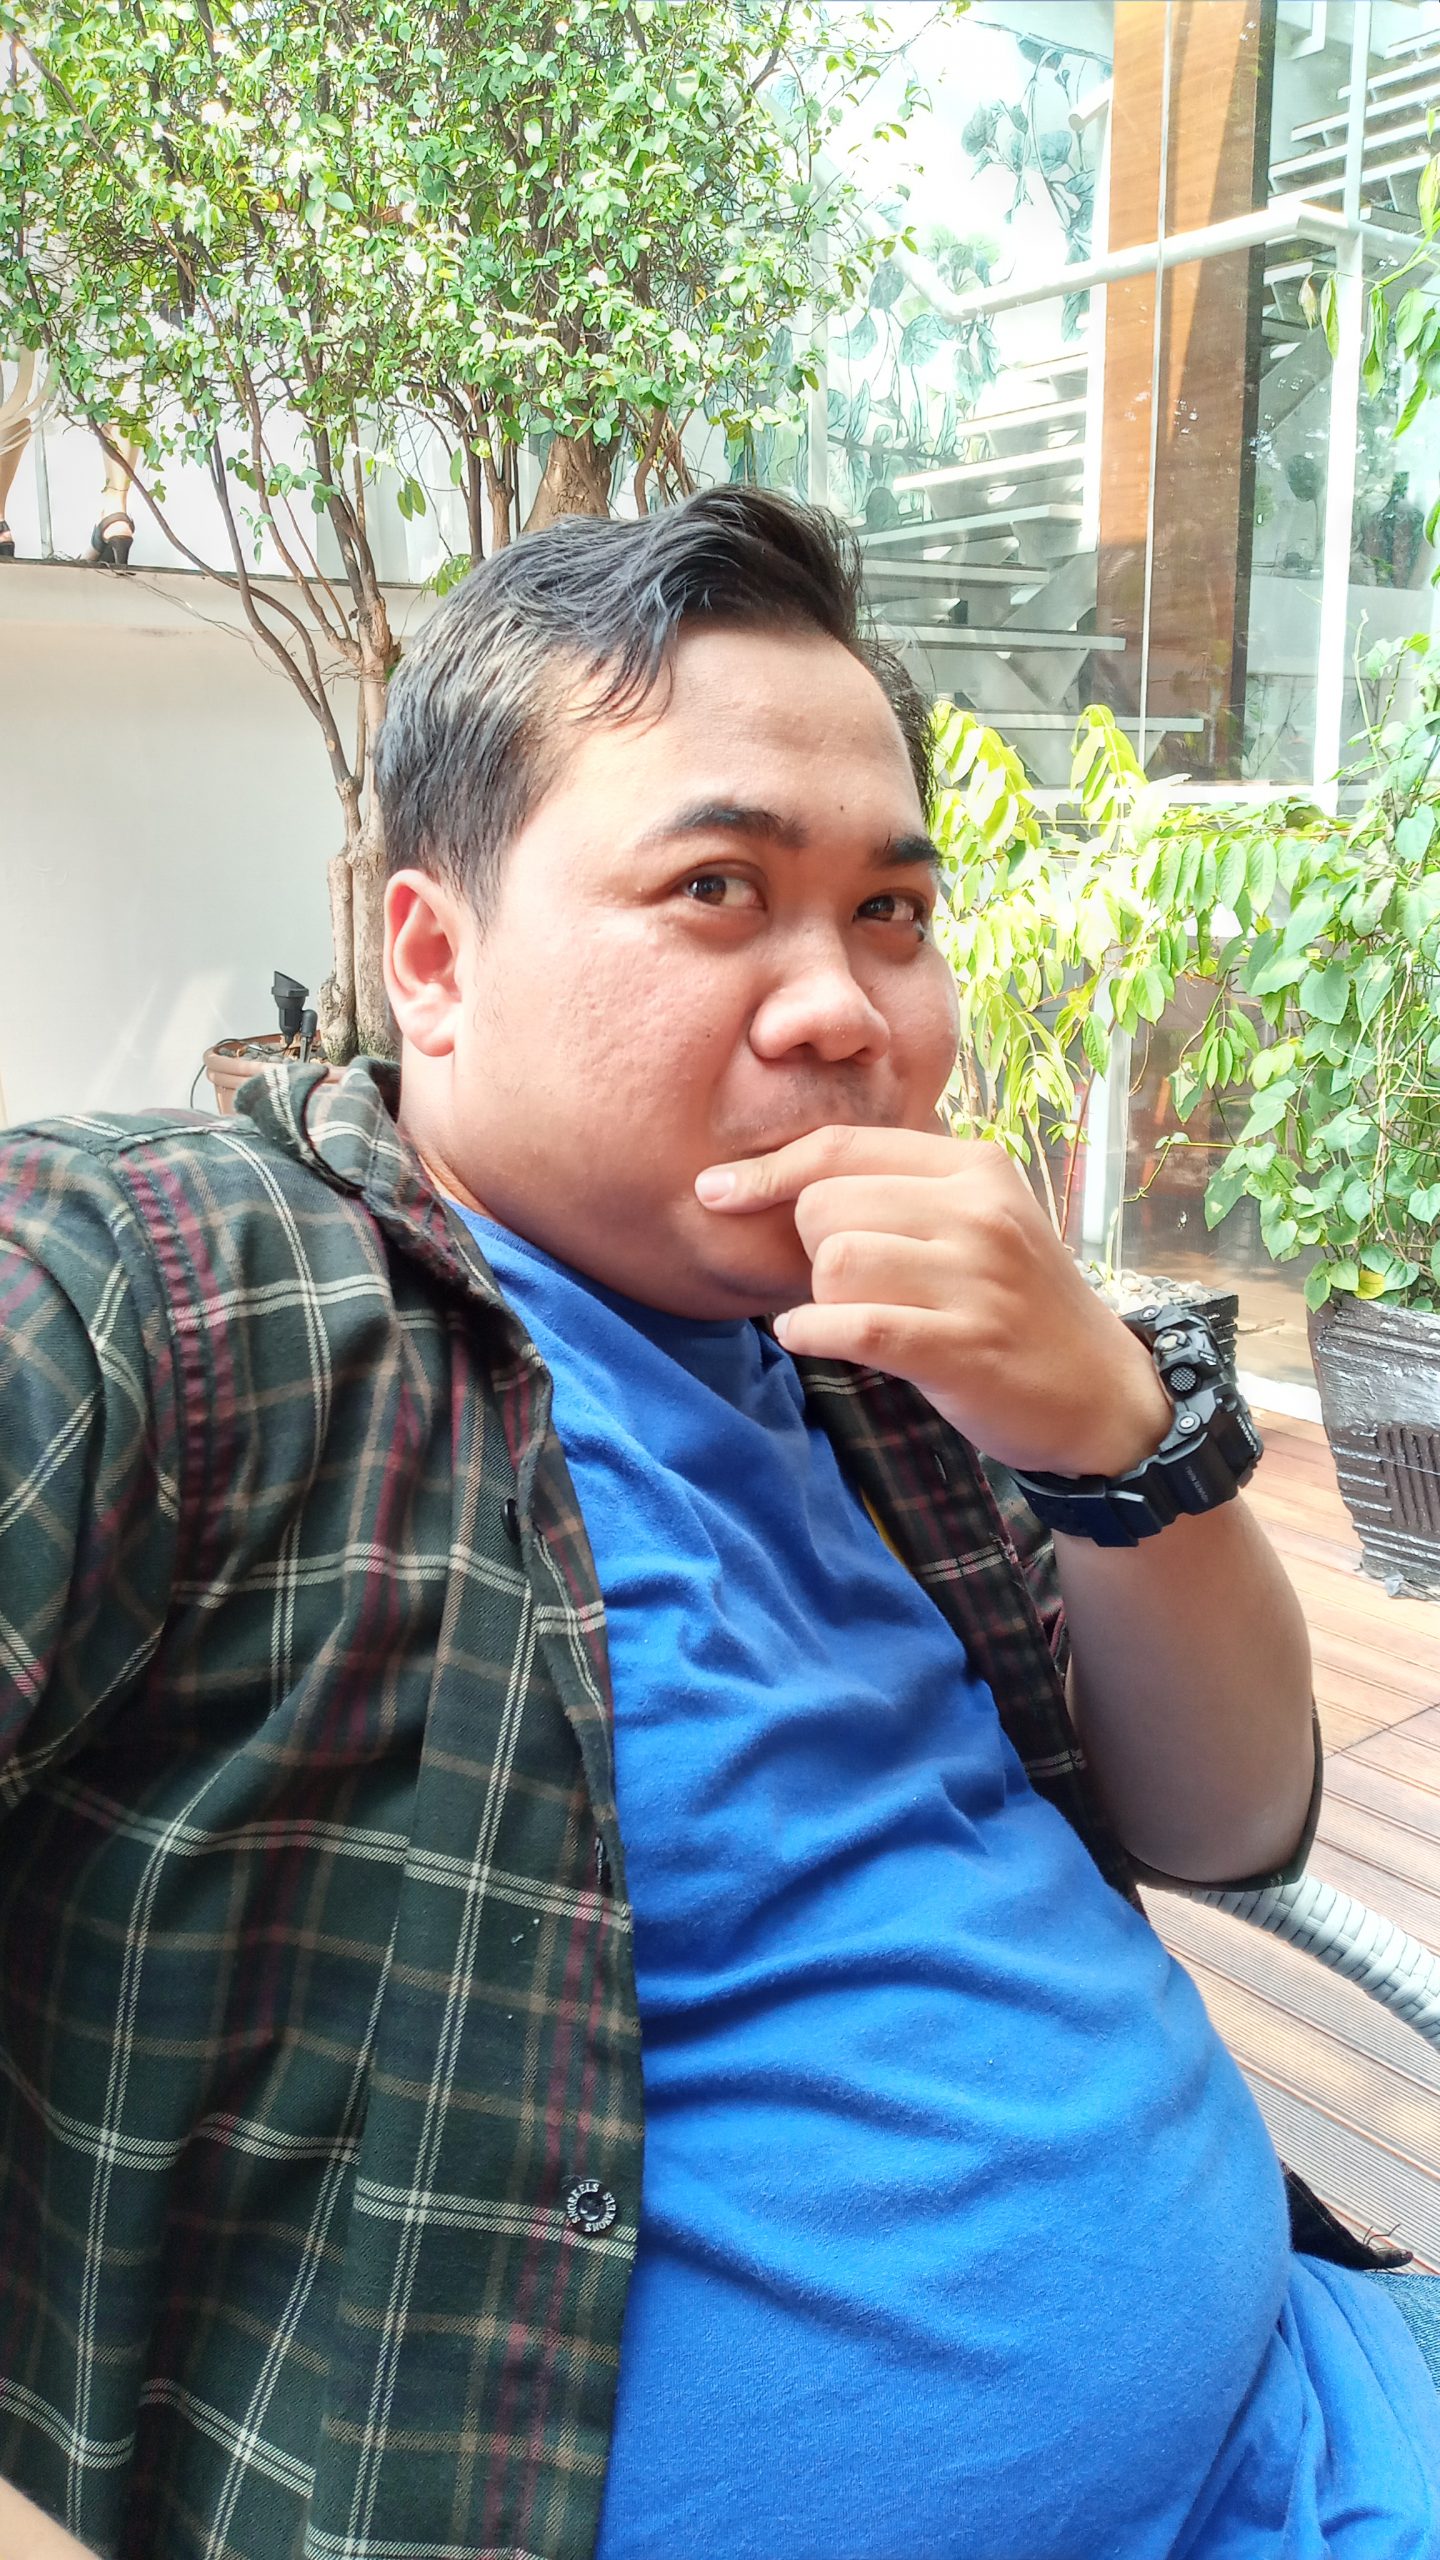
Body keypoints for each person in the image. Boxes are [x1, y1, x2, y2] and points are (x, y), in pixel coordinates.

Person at [0, 487, 1436, 2560]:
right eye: (717, 888)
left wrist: (1115, 1431)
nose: (843, 1004)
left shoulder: (873, 1360)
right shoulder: (171, 1287)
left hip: (1330, 2397)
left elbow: (1229, 1819)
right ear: (434, 960)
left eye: (892, 912)